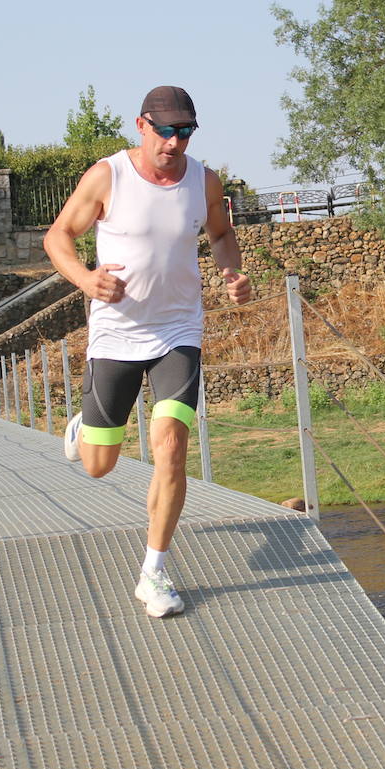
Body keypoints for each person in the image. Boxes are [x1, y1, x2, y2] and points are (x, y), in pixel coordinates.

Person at [43, 85, 251, 618]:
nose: (174, 143)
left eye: (185, 132)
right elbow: (58, 236)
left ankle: (153, 573)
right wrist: (85, 279)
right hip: (116, 333)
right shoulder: (107, 176)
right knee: (99, 465)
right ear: (141, 126)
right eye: (165, 131)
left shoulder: (204, 181)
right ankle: (83, 428)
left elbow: (221, 234)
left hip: (178, 331)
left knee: (172, 444)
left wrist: (231, 271)